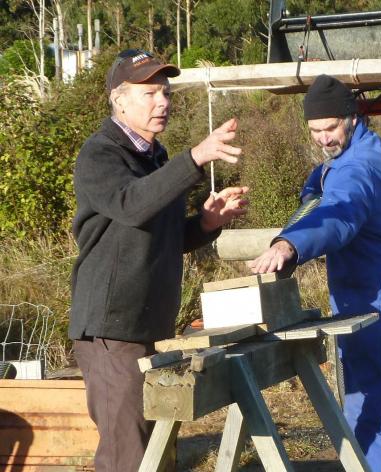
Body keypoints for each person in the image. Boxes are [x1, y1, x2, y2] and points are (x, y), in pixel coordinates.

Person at [70, 49, 248, 471]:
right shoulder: (100, 155)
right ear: (120, 99)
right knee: (127, 457)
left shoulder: (156, 157)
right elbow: (131, 206)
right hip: (111, 332)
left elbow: (160, 236)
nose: (163, 102)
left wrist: (205, 223)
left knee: (157, 452)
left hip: (147, 327)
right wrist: (196, 158)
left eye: (165, 92)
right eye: (150, 93)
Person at [249, 74, 381, 472]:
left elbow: (340, 214)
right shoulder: (351, 154)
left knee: (376, 406)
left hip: (380, 297)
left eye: (329, 129)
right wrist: (310, 195)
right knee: (361, 399)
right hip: (362, 290)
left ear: (351, 118)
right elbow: (324, 183)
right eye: (314, 131)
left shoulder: (360, 165)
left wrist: (291, 245)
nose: (323, 139)